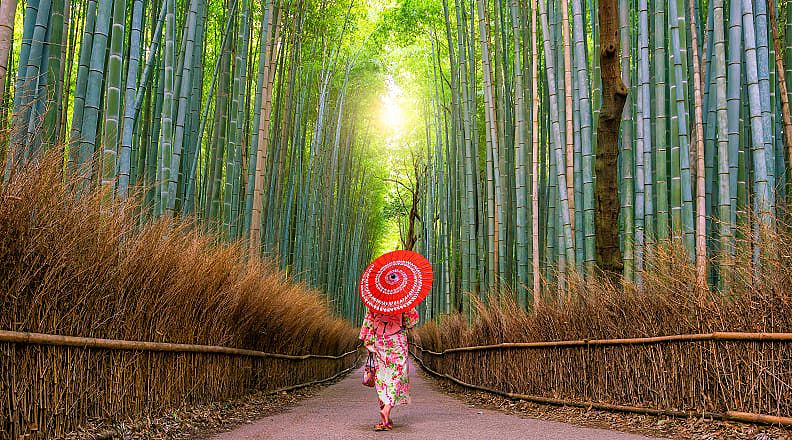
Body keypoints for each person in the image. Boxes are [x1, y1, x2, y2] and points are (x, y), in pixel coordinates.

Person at [358, 308, 419, 431]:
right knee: (397, 374)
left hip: (380, 340)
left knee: (381, 376)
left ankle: (385, 420)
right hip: (397, 340)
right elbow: (411, 321)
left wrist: (368, 342)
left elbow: (369, 321)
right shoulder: (402, 299)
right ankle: (387, 409)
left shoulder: (375, 301)